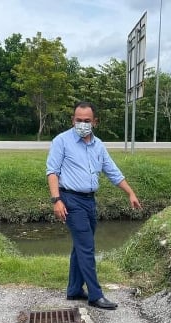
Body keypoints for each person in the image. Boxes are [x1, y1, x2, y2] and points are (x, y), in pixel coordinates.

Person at [46, 101, 142, 310]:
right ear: (73, 120)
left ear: (94, 122)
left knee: (80, 246)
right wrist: (57, 200)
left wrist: (130, 193)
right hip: (70, 199)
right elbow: (52, 172)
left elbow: (113, 172)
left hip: (89, 201)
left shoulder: (98, 145)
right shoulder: (61, 141)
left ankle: (73, 290)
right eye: (78, 120)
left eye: (86, 121)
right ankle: (95, 295)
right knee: (87, 247)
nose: (82, 124)